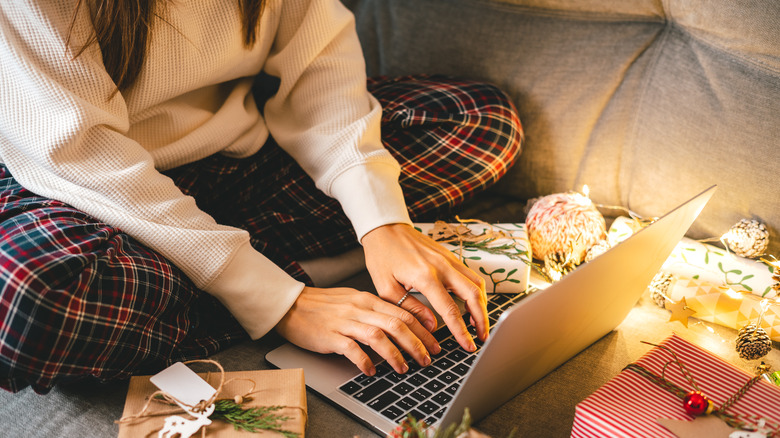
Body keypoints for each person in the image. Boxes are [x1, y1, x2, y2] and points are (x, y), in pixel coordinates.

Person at [0, 0, 523, 393]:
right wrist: (281, 304)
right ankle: (293, 278)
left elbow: (321, 73)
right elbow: (81, 157)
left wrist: (383, 225)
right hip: (75, 186)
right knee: (31, 298)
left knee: (478, 118)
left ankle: (197, 289)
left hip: (233, 164)